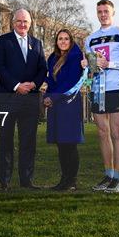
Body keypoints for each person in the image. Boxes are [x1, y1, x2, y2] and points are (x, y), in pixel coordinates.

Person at [82, 0, 119, 193]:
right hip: (97, 90)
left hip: (115, 89)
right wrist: (86, 65)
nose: (103, 14)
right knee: (102, 133)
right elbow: (92, 65)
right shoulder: (90, 38)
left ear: (113, 12)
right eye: (99, 11)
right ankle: (108, 175)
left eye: (106, 11)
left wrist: (110, 64)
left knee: (116, 132)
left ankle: (118, 178)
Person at [0, 8, 47, 190]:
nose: (22, 25)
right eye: (19, 21)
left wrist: (33, 84)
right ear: (13, 22)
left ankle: (26, 180)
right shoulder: (3, 41)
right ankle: (5, 180)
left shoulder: (37, 44)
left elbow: (43, 69)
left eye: (26, 22)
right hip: (7, 97)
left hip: (30, 99)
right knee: (5, 140)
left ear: (30, 24)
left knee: (28, 141)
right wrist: (17, 85)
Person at [43, 29, 85, 191]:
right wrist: (46, 96)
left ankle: (71, 180)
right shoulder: (53, 58)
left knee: (69, 144)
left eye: (66, 39)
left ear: (71, 41)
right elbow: (51, 80)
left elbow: (70, 81)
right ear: (56, 41)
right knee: (61, 144)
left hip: (69, 103)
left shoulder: (75, 56)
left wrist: (51, 97)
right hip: (56, 105)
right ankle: (64, 179)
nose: (63, 41)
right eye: (60, 39)